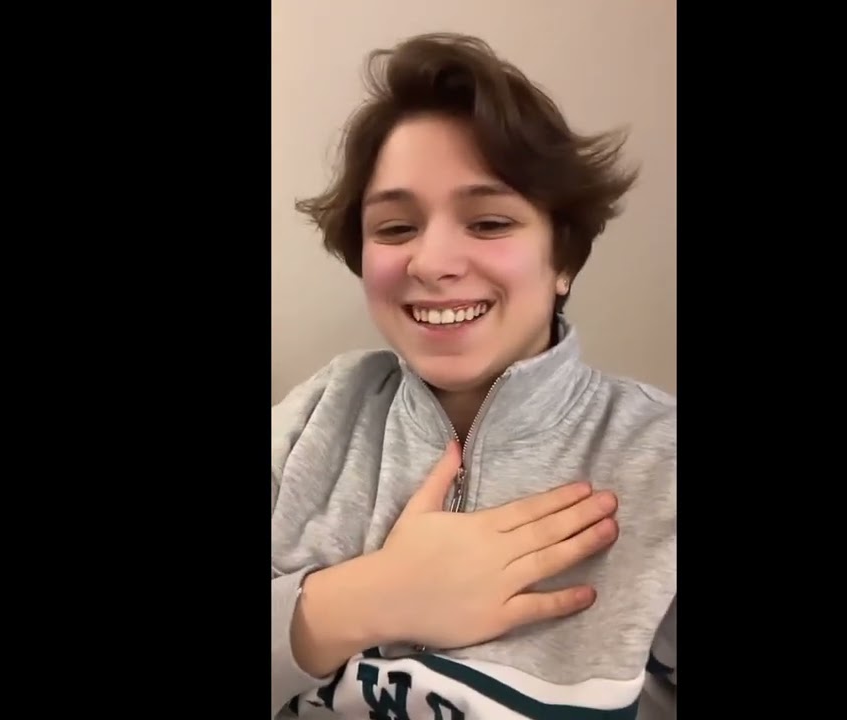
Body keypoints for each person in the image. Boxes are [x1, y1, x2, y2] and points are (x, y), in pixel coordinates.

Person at [271, 33, 676, 719]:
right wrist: (360, 601)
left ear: (564, 259)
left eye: (488, 222)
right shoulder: (315, 417)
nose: (432, 262)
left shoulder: (662, 460)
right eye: (395, 228)